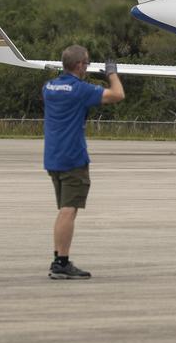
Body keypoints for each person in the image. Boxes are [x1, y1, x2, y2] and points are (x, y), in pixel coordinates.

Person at [43, 44, 124, 279]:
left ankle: (59, 257)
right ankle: (61, 262)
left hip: (53, 156)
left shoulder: (49, 87)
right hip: (73, 157)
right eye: (86, 63)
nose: (87, 67)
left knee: (63, 210)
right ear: (79, 65)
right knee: (69, 210)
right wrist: (111, 74)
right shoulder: (80, 90)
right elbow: (118, 94)